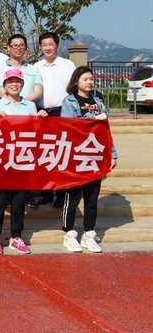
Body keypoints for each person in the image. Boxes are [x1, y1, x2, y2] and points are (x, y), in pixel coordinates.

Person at [0, 69, 48, 255]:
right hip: (2, 158)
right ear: (4, 86)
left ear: (22, 84)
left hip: (22, 158)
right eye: (10, 82)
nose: (14, 84)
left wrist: (42, 119)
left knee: (19, 200)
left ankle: (16, 236)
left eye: (17, 81)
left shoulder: (30, 106)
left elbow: (35, 130)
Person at [60, 66, 118, 253]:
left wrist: (112, 154)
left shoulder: (98, 101)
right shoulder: (69, 101)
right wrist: (92, 118)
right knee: (73, 197)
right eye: (85, 79)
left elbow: (105, 131)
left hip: (95, 156)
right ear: (76, 81)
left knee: (92, 198)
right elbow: (68, 126)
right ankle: (69, 234)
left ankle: (89, 234)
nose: (89, 82)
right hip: (76, 156)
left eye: (91, 79)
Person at [34, 31, 75, 206]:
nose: (48, 48)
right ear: (40, 47)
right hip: (41, 113)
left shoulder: (67, 65)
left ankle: (61, 194)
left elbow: (73, 89)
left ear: (57, 45)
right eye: (44, 45)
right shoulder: (36, 66)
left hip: (61, 113)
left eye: (51, 44)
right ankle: (46, 194)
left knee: (60, 154)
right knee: (43, 154)